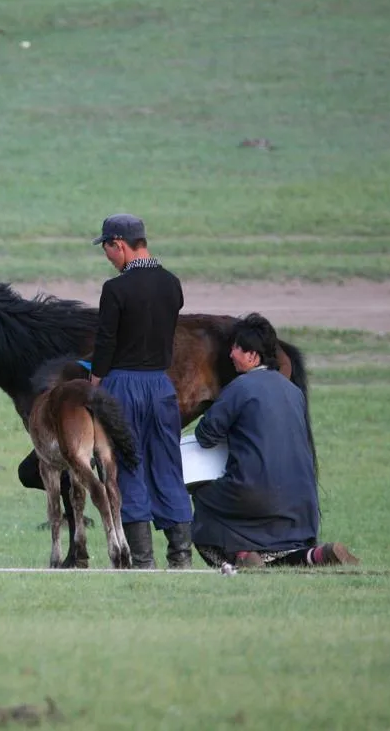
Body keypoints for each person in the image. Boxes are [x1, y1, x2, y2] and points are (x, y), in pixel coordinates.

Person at [191, 313, 359, 569]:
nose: (231, 354)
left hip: (254, 494)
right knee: (281, 545)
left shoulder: (240, 387)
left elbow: (205, 435)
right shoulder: (293, 391)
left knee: (204, 501)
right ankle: (315, 555)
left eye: (236, 348)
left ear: (252, 356)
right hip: (302, 501)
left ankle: (240, 556)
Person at [89, 213, 191, 569]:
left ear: (118, 244)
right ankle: (181, 556)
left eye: (106, 249)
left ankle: (144, 561)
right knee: (168, 466)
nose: (107, 257)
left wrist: (96, 382)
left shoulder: (115, 290)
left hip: (122, 386)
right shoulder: (172, 284)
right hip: (161, 386)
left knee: (127, 468)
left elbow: (106, 342)